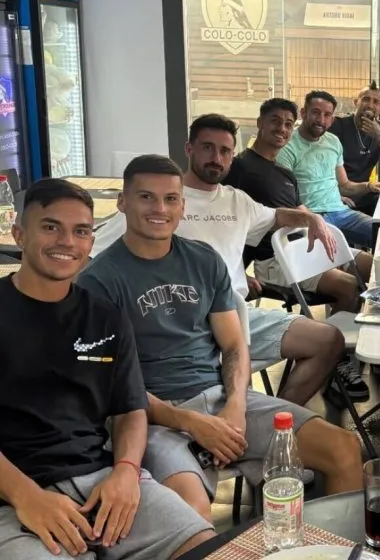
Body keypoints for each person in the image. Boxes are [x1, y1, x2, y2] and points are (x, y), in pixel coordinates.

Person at [78, 156, 365, 524]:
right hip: (153, 418)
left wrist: (234, 405)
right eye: (146, 197)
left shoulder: (203, 260)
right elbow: (113, 387)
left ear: (183, 205)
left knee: (343, 449)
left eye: (170, 199)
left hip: (220, 399)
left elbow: (233, 345)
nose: (159, 209)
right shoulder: (99, 281)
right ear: (122, 202)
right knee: (191, 512)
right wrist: (190, 422)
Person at [0, 178, 214, 560]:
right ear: (19, 233)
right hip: (12, 502)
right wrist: (27, 497)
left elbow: (130, 410)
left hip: (101, 481)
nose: (66, 242)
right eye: (50, 227)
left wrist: (124, 473)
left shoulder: (104, 315)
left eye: (80, 232)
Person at [92, 115, 346, 408]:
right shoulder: (159, 203)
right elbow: (93, 253)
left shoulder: (237, 200)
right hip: (179, 320)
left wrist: (310, 217)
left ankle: (279, 421)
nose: (216, 158)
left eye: (225, 151)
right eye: (207, 148)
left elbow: (276, 216)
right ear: (189, 149)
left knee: (327, 340)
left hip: (237, 314)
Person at [226, 98, 372, 400]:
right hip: (274, 259)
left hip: (303, 246)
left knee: (370, 264)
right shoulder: (240, 169)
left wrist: (316, 220)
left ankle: (371, 352)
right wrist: (238, 274)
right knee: (347, 287)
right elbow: (231, 228)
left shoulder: (281, 172)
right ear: (260, 123)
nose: (282, 129)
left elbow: (299, 210)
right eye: (275, 121)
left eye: (287, 124)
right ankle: (339, 366)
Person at [277, 90, 380, 249]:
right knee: (339, 260)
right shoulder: (286, 148)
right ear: (303, 113)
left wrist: (369, 186)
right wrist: (311, 218)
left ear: (331, 119)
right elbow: (285, 200)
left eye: (327, 115)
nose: (321, 120)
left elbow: (345, 185)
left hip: (341, 212)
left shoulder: (333, 142)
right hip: (310, 217)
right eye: (316, 113)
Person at [330, 82, 380, 215]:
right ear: (356, 102)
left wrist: (379, 135)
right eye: (366, 99)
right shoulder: (338, 126)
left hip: (365, 195)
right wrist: (333, 196)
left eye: (376, 102)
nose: (370, 105)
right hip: (339, 197)